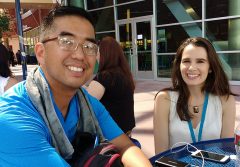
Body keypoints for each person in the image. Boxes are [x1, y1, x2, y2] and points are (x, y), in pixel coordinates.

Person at [0, 6, 151, 166]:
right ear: (41, 52)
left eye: (89, 46)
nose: (80, 55)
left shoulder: (86, 103)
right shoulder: (11, 118)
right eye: (66, 42)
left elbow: (126, 146)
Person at [153, 37, 237, 154]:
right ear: (179, 65)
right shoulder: (164, 99)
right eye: (186, 61)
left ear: (210, 68)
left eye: (200, 61)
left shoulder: (226, 101)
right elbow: (160, 154)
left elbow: (226, 151)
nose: (192, 68)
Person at [85, 36, 135, 136]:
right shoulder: (124, 75)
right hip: (126, 129)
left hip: (112, 134)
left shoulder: (105, 77)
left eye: (98, 52)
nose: (96, 56)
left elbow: (85, 102)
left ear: (105, 55)